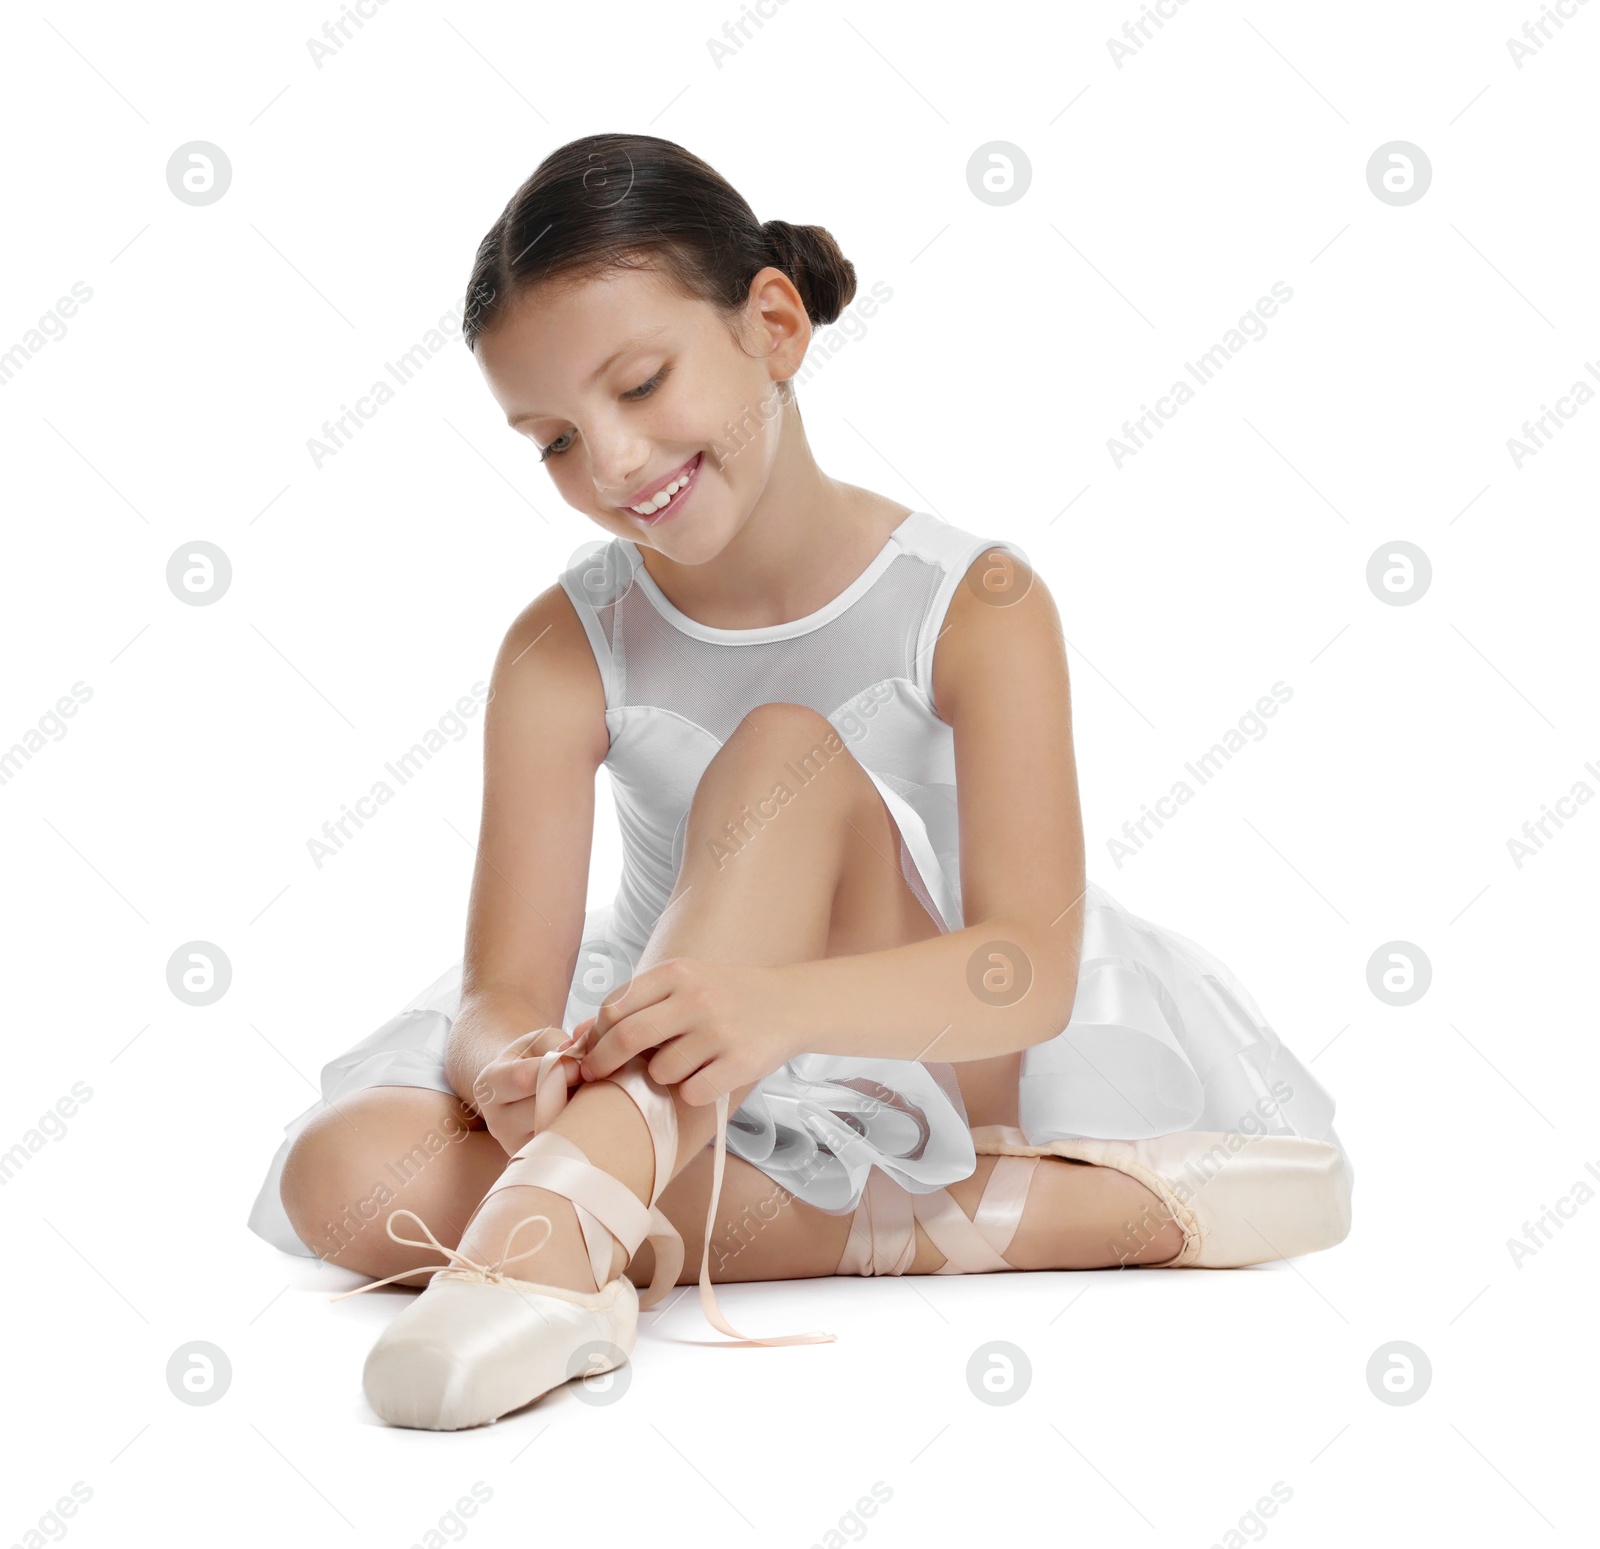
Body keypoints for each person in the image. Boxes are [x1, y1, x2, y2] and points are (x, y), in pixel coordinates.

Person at [247, 131, 1353, 1431]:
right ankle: (966, 1222)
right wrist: (510, 1063)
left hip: (928, 1048)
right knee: (343, 1173)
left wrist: (774, 1006)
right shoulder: (562, 646)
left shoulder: (973, 603)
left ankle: (539, 1248)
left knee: (781, 753)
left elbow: (1025, 970)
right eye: (551, 438)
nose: (608, 463)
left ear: (773, 325)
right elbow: (502, 988)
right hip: (686, 1052)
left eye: (642, 383)